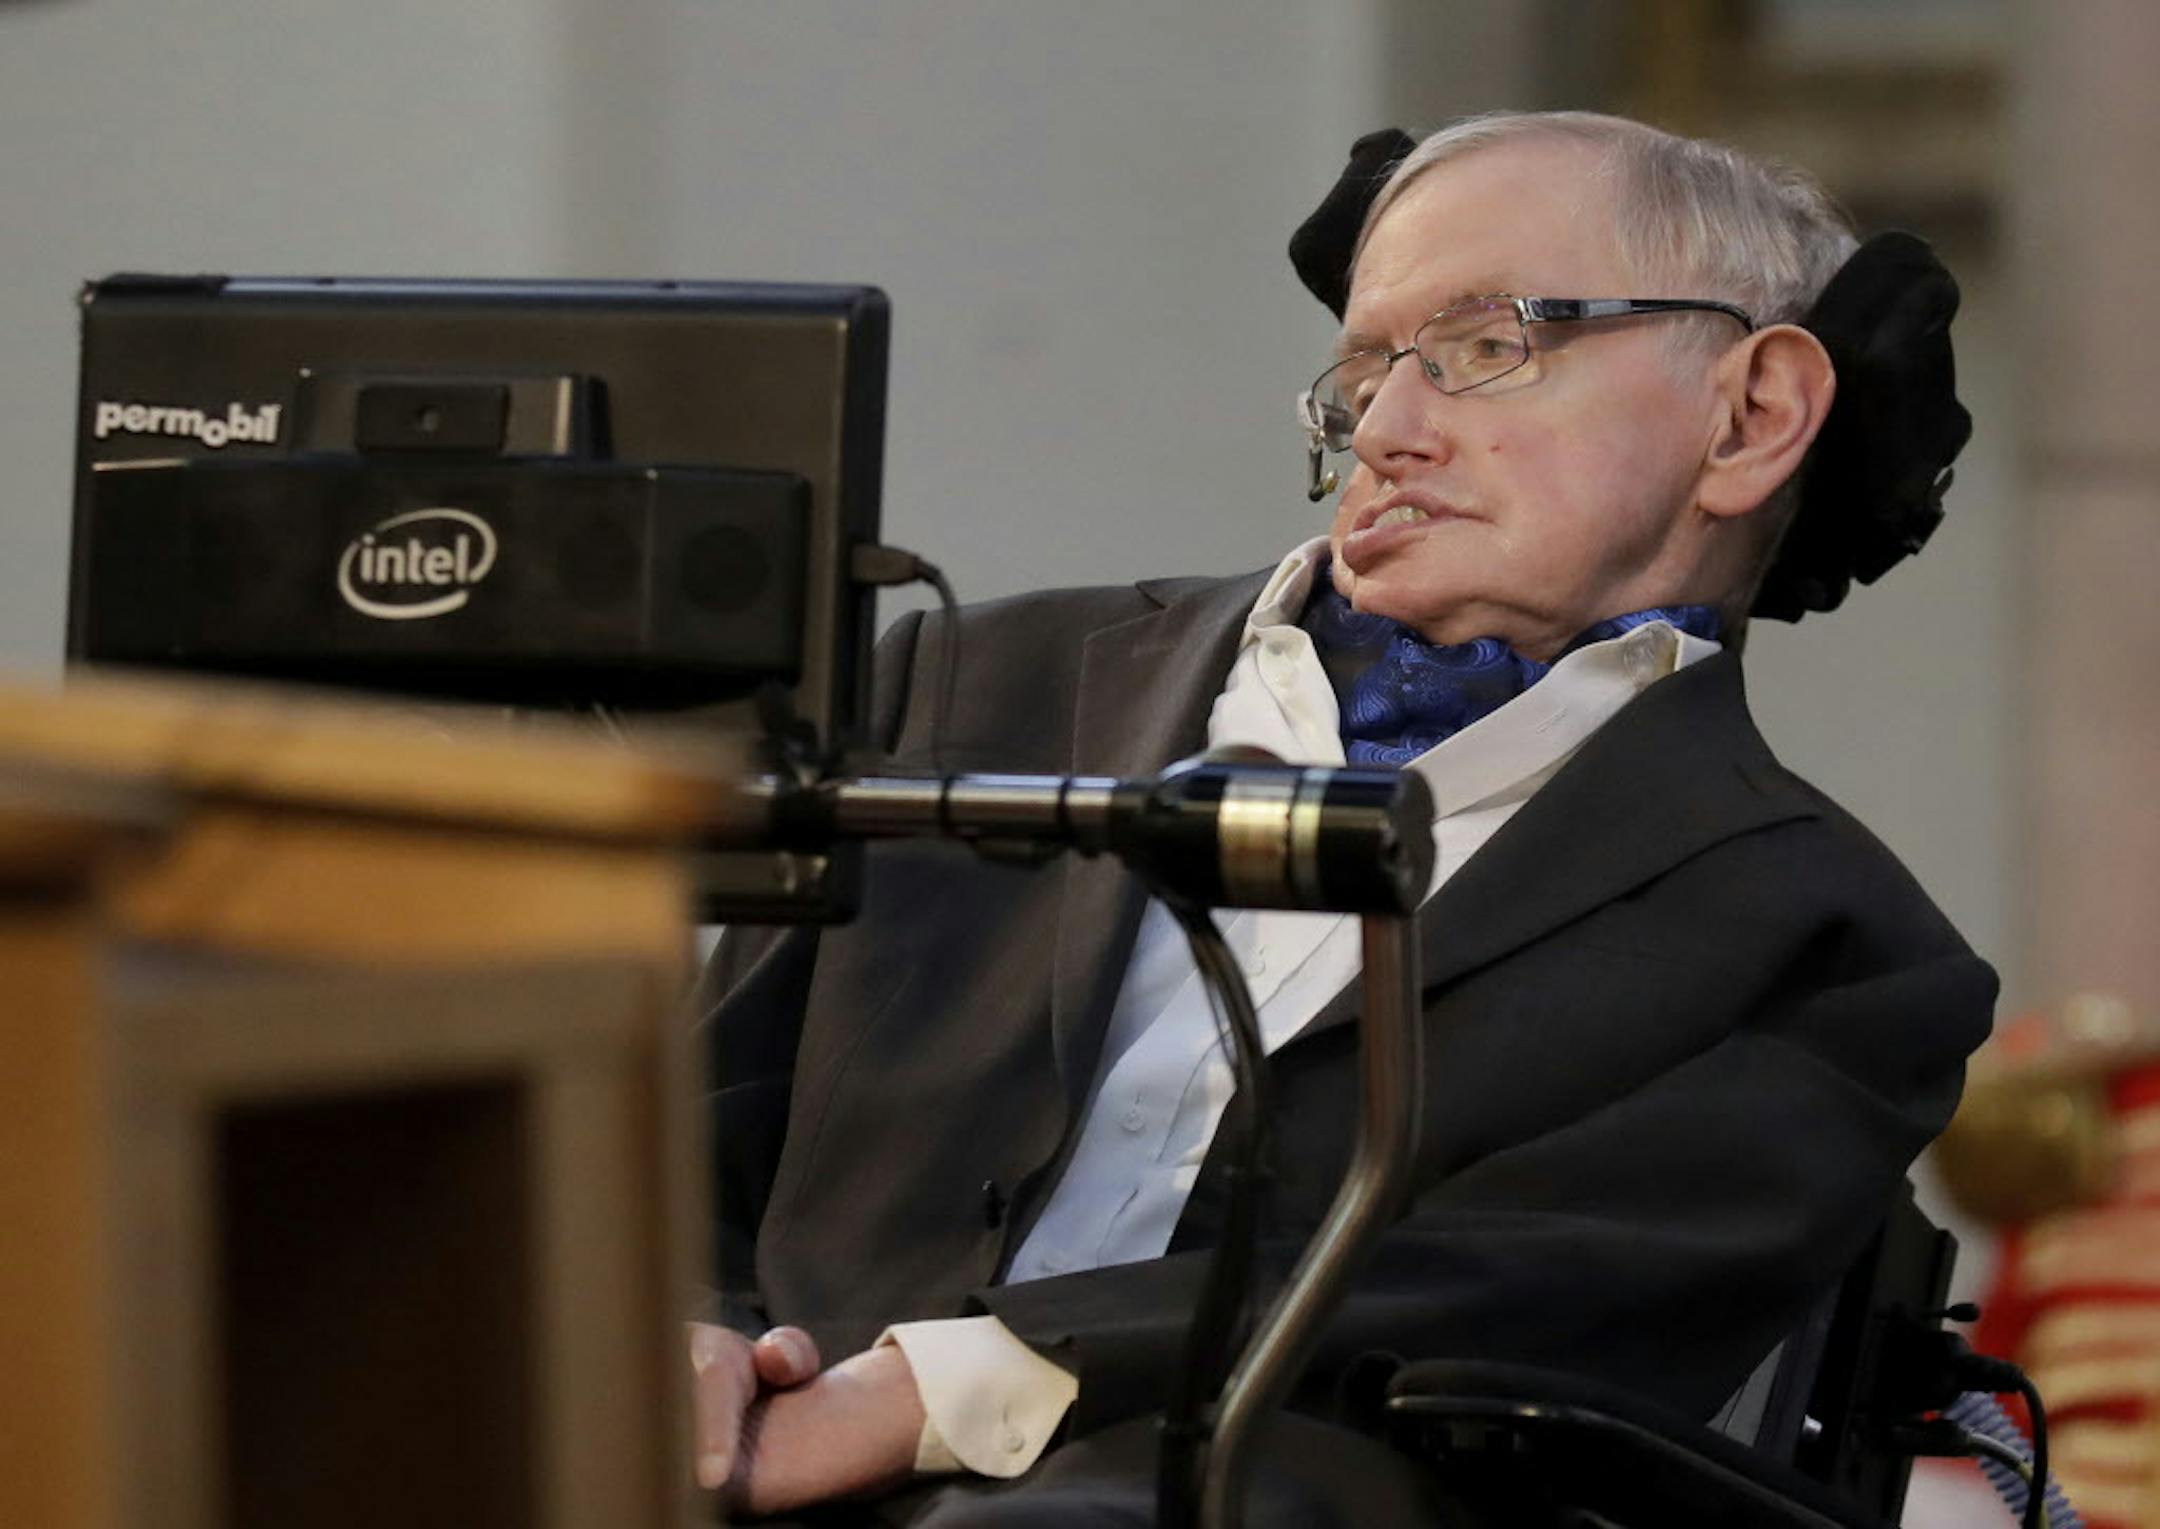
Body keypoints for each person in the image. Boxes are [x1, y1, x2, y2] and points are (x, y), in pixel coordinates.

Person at [688, 110, 1996, 1524]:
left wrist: (918, 1394)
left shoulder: (1835, 949)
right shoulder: (964, 686)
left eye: (1487, 345)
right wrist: (674, 1336)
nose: (1388, 427)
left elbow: (1483, 1306)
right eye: (1365, 368)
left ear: (1750, 417)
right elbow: (672, 1144)